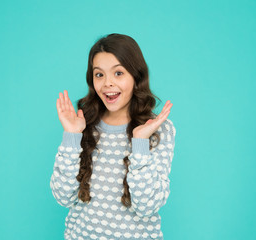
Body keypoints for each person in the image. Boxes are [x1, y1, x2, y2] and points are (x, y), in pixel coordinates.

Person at [50, 33, 176, 240]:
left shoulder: (158, 130)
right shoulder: (83, 125)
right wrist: (72, 137)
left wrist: (140, 144)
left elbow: (147, 206)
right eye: (99, 75)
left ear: (136, 77)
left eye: (118, 73)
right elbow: (63, 197)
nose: (108, 83)